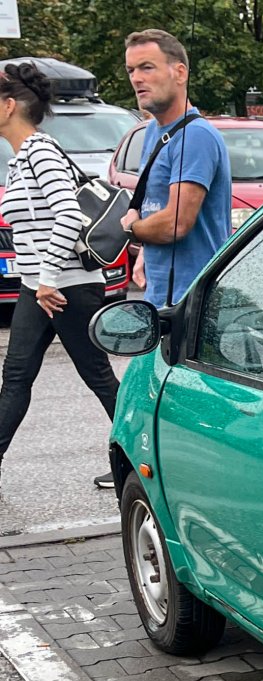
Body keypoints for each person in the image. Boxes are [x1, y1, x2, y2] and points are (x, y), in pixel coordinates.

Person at [0, 62, 121, 491]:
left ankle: (138, 458)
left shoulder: (42, 151)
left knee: (98, 377)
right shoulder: (18, 160)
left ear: (9, 106)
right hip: (37, 288)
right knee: (16, 376)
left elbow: (68, 214)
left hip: (68, 287)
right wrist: (39, 282)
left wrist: (49, 277)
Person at [118, 28, 232, 309]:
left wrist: (132, 229)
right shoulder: (153, 131)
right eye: (131, 70)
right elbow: (156, 206)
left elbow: (175, 223)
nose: (136, 78)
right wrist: (144, 253)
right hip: (160, 297)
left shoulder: (195, 135)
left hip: (192, 303)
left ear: (180, 73)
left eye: (147, 67)